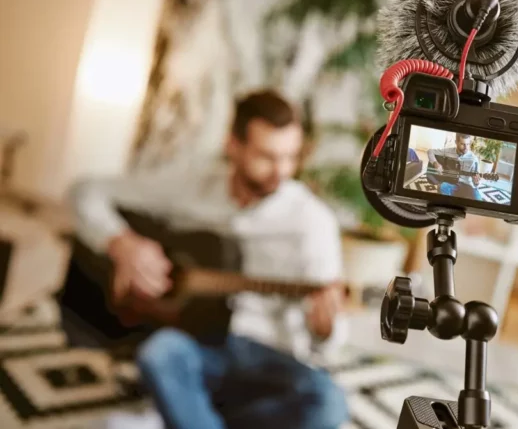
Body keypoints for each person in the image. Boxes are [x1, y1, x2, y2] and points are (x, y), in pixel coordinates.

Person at [69, 89, 348, 429]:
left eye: (290, 157)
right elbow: (87, 191)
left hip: (269, 361)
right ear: (233, 145)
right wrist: (122, 243)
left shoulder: (313, 223)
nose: (281, 171)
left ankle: (184, 416)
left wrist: (325, 328)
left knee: (328, 404)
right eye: (266, 156)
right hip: (200, 346)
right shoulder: (194, 187)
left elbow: (329, 342)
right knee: (159, 354)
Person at [427, 133, 483, 201]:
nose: (466, 147)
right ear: (456, 142)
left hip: (468, 186)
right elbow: (430, 151)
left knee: (478, 199)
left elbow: (477, 183)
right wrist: (435, 163)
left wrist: (476, 182)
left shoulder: (474, 159)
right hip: (452, 183)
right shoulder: (448, 151)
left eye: (468, 144)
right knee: (442, 187)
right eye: (462, 144)